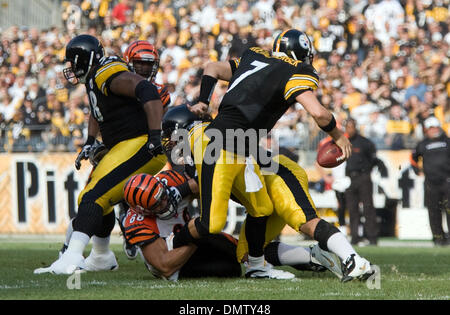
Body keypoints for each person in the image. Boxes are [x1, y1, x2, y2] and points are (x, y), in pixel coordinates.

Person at [181, 29, 372, 281]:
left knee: (261, 208)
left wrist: (204, 100)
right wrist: (339, 136)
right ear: (302, 54)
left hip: (241, 146)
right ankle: (171, 242)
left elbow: (212, 67)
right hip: (222, 143)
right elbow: (319, 113)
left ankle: (257, 268)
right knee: (211, 223)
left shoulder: (254, 57)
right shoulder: (295, 72)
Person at [163, 105, 372, 282]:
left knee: (305, 221)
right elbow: (206, 179)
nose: (171, 145)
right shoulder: (201, 149)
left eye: (171, 139)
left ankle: (354, 260)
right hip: (263, 189)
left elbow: (215, 169)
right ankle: (314, 255)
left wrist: (176, 194)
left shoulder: (206, 138)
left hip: (279, 176)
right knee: (246, 254)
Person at [34, 34, 167, 275]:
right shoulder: (95, 79)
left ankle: (72, 257)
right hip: (125, 145)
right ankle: (101, 256)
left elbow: (147, 90)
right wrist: (89, 141)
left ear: (86, 59)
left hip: (141, 145)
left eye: (74, 62)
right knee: (91, 199)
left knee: (93, 198)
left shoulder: (105, 72)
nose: (71, 68)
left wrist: (155, 138)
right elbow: (97, 111)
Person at [120, 170, 242, 280]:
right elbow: (165, 267)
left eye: (163, 196)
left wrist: (183, 189)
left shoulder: (170, 181)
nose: (165, 203)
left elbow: (209, 180)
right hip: (175, 262)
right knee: (230, 268)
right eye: (156, 205)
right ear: (143, 210)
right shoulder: (137, 223)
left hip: (191, 236)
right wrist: (195, 238)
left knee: (235, 250)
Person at [120, 39, 171, 259]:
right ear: (129, 63)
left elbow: (162, 120)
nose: (143, 68)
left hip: (151, 147)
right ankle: (99, 249)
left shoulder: (161, 91)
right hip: (123, 145)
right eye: (139, 63)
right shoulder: (120, 87)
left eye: (148, 64)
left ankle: (147, 234)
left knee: (151, 193)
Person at [410, 117, 450, 246]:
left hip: (447, 181)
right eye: (431, 128)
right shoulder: (422, 144)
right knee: (433, 211)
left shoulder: (447, 141)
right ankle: (438, 238)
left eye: (436, 127)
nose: (434, 130)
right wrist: (417, 170)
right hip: (431, 183)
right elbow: (413, 158)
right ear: (427, 130)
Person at [344, 118, 378, 246]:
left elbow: (374, 159)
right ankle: (354, 237)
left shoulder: (365, 142)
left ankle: (372, 237)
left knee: (368, 207)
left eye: (351, 127)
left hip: (363, 177)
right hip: (349, 178)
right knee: (352, 209)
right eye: (347, 127)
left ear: (355, 127)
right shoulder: (343, 142)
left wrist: (366, 172)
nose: (349, 130)